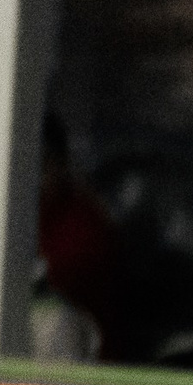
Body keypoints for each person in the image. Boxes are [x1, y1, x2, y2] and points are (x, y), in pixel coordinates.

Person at [36, 115, 122, 359]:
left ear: (61, 165)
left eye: (42, 164)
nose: (30, 178)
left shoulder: (85, 226)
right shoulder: (7, 220)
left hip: (83, 375)